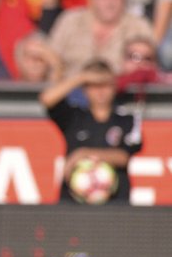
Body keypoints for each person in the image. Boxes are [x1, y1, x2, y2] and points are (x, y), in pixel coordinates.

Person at [40, 60, 141, 204]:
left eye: (105, 85)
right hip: (73, 201)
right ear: (84, 89)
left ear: (114, 87)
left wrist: (83, 154)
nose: (100, 92)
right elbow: (47, 99)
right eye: (94, 86)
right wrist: (81, 77)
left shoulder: (126, 119)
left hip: (115, 201)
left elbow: (124, 156)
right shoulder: (74, 117)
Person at [48, 0, 152, 77]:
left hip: (119, 90)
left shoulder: (139, 27)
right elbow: (51, 58)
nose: (109, 2)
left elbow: (149, 68)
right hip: (68, 88)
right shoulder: (70, 21)